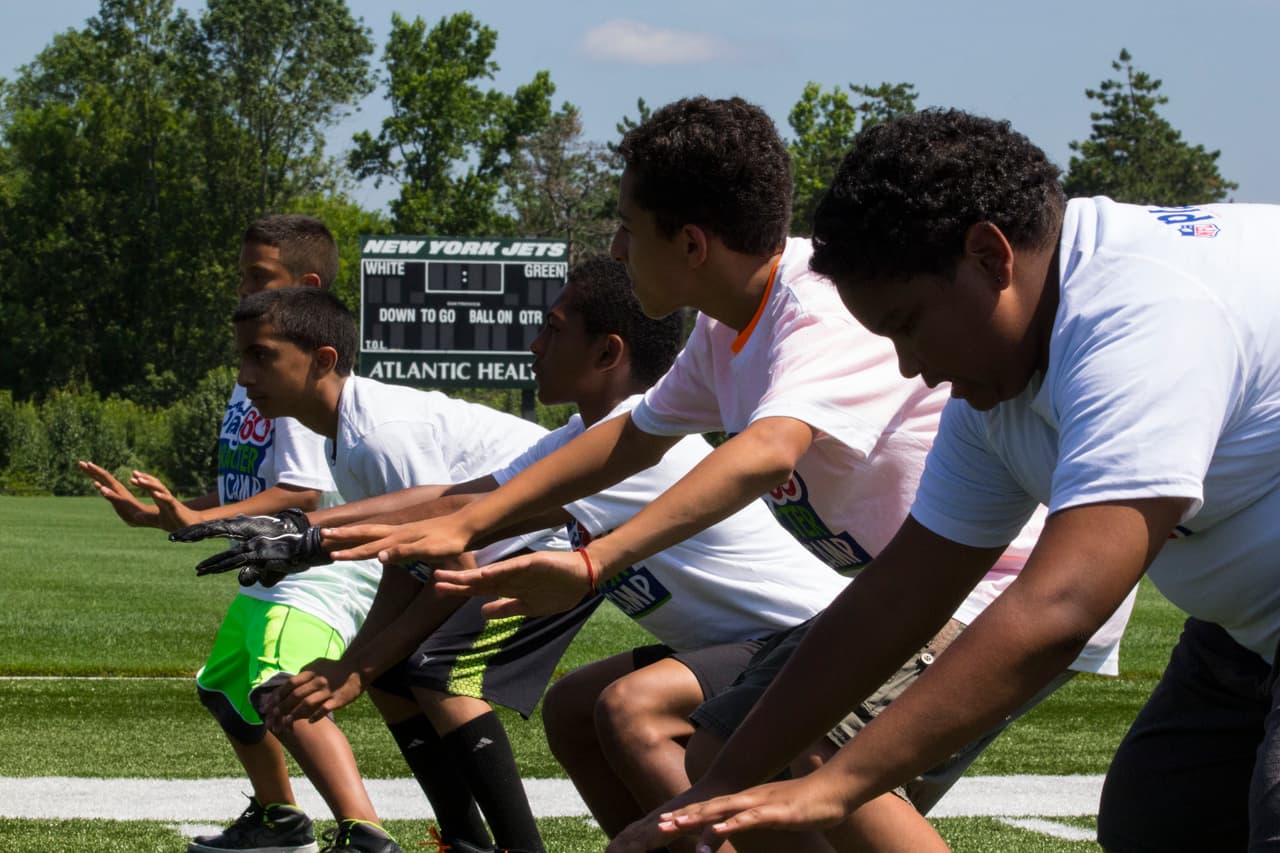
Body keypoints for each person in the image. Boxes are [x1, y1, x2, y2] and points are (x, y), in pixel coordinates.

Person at [320, 98, 1133, 852]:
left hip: (985, 588)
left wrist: (598, 561)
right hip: (906, 591)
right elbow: (629, 437)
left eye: (627, 228)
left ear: (692, 243)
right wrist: (470, 521)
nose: (614, 248)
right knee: (683, 738)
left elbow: (769, 450)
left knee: (795, 757)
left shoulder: (815, 303)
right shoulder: (725, 328)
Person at [609, 108, 1280, 853]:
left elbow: (1062, 607)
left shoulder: (1140, 315)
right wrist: (721, 782)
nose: (908, 367)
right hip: (1244, 636)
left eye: (908, 323)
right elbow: (900, 595)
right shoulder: (997, 377)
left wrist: (833, 785)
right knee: (1157, 822)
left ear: (989, 256)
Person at [179, 284, 600, 853]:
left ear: (322, 360)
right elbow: (409, 563)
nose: (245, 376)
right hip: (504, 547)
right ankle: (465, 841)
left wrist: (353, 670)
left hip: (565, 539)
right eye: (242, 358)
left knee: (435, 670)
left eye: (261, 356)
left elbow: (452, 564)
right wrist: (360, 665)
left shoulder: (377, 435)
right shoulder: (347, 434)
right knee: (398, 672)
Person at [80, 215, 400, 853]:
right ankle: (280, 819)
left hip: (319, 570)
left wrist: (199, 521)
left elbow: (302, 490)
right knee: (224, 686)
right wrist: (173, 514)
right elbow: (248, 488)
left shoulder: (295, 377)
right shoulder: (255, 375)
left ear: (305, 286)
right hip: (277, 566)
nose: (242, 289)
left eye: (260, 276)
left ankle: (365, 834)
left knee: (278, 686)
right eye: (242, 275)